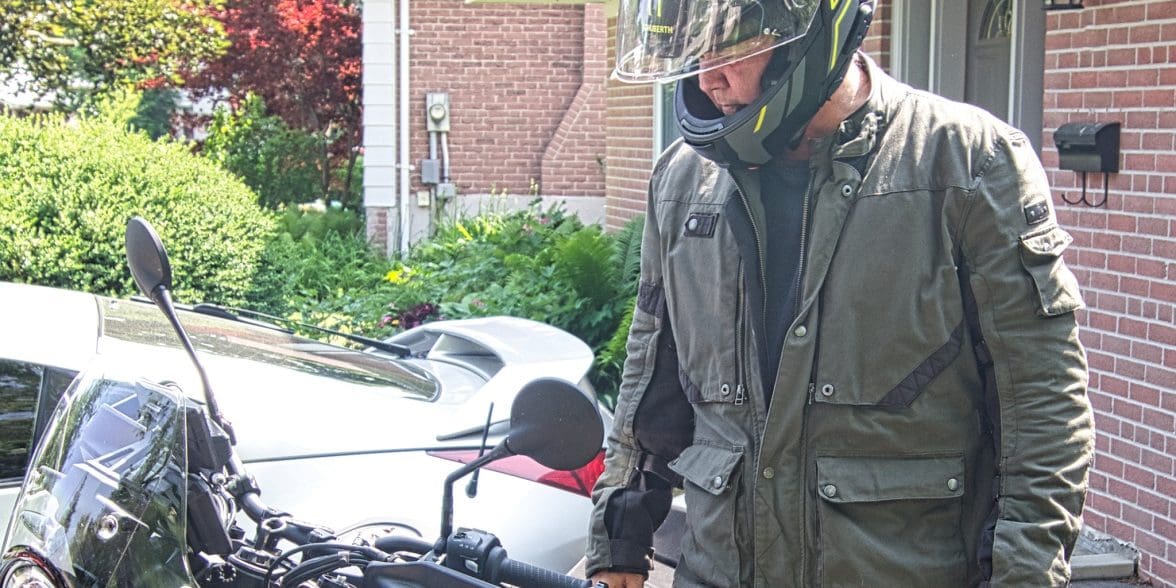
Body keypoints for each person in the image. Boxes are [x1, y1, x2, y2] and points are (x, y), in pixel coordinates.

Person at [584, 1, 1095, 586]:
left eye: (726, 47)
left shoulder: (968, 163)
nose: (706, 79)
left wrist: (1023, 576)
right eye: (692, 52)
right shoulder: (680, 181)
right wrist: (617, 543)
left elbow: (1043, 412)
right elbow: (650, 382)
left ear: (812, 32)